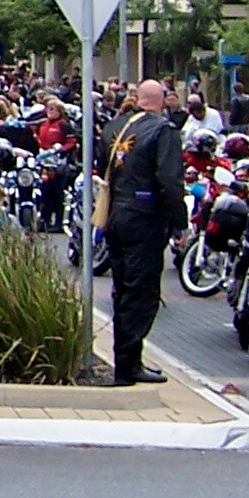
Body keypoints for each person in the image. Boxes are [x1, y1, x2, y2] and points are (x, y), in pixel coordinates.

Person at [101, 79, 186, 387]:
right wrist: (180, 222)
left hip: (116, 214)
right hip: (145, 218)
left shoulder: (115, 127)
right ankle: (127, 365)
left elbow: (103, 167)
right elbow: (170, 181)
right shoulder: (163, 131)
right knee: (142, 293)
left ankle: (127, 359)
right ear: (161, 100)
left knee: (122, 288)